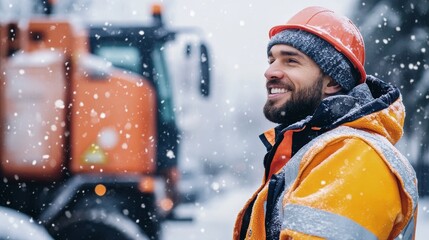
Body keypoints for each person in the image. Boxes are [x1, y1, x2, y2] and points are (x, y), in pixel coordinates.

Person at [233, 6, 418, 240]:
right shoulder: (314, 151)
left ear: (332, 82)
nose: (270, 71)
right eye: (272, 60)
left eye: (290, 61)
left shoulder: (355, 157)